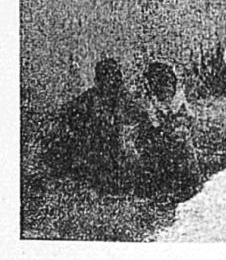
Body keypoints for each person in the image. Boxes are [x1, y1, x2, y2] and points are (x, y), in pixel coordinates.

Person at [44, 57, 143, 194]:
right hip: (95, 154)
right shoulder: (88, 100)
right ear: (99, 81)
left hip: (115, 155)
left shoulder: (124, 98)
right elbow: (65, 115)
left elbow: (138, 117)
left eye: (115, 78)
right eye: (108, 78)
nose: (112, 83)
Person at [136, 62, 202, 200]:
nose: (164, 91)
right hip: (159, 134)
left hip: (176, 134)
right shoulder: (151, 99)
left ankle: (183, 184)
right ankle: (157, 184)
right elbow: (153, 121)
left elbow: (185, 119)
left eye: (167, 87)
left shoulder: (177, 98)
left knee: (179, 145)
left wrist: (170, 125)